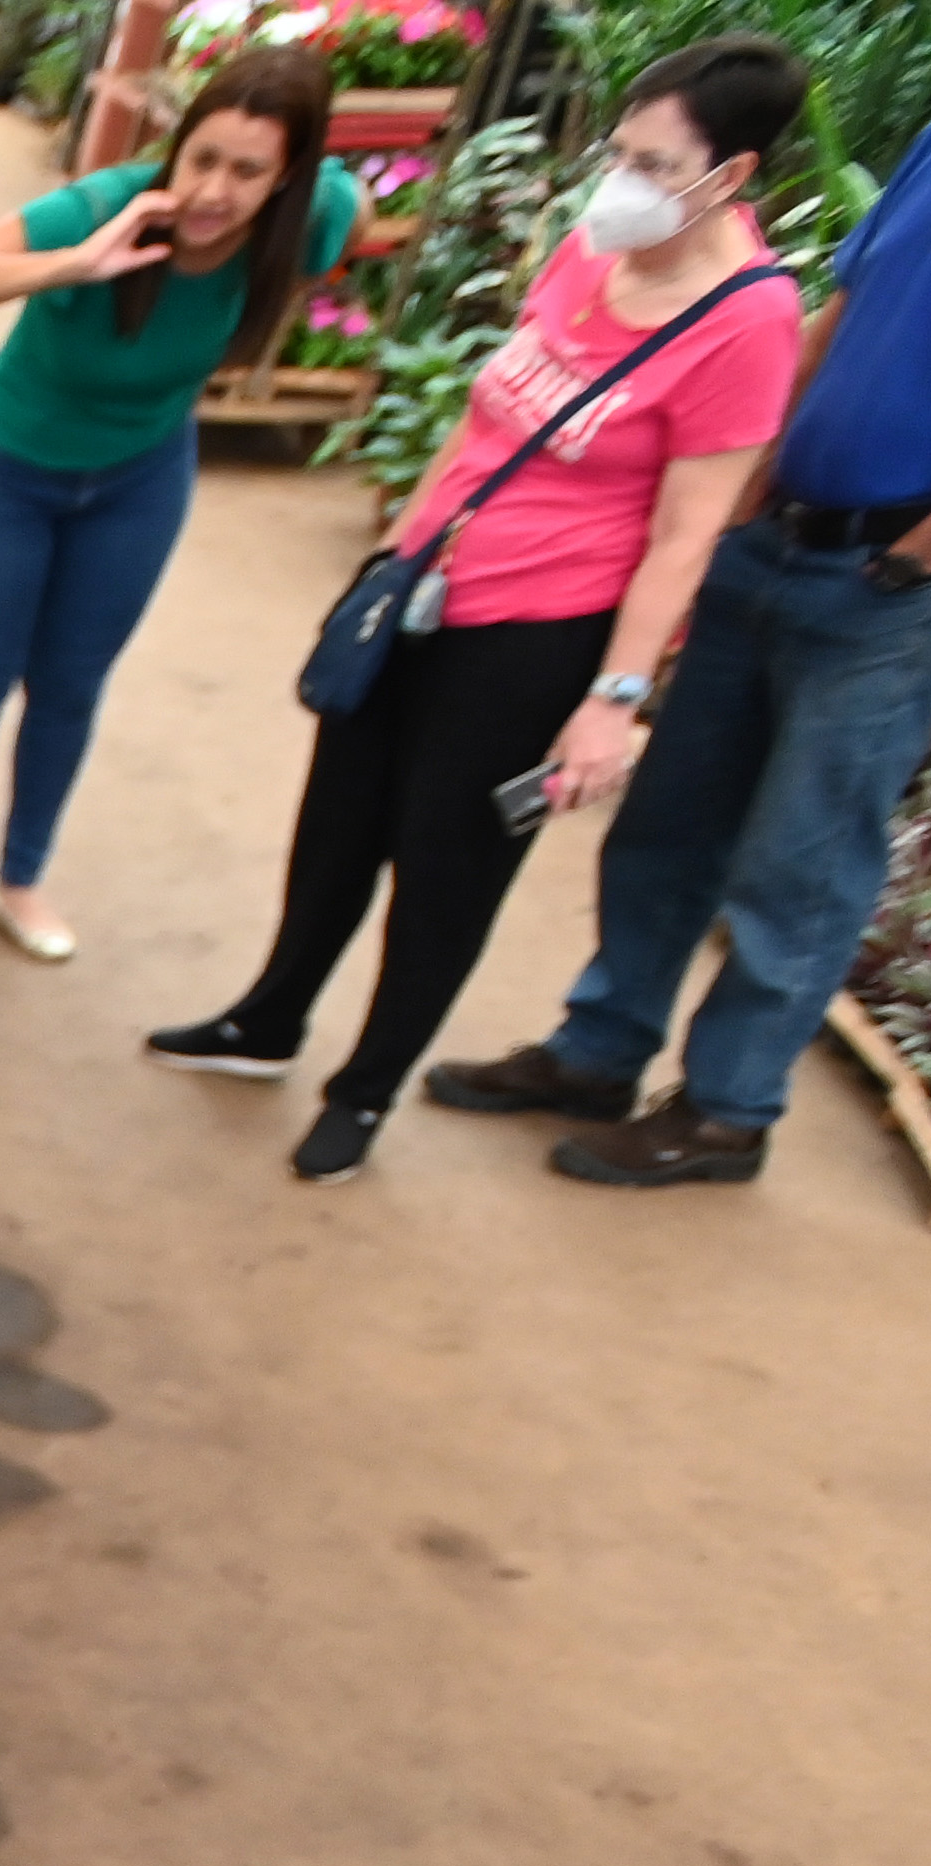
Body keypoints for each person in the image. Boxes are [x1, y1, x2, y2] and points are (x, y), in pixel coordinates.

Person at [147, 35, 807, 1185]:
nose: (621, 183)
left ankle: (362, 1090)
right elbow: (488, 405)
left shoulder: (745, 324)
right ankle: (267, 1018)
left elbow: (683, 533)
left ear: (730, 177)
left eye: (654, 166)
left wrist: (610, 699)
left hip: (536, 636)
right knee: (336, 822)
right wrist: (398, 556)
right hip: (425, 593)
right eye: (621, 152)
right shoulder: (593, 246)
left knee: (444, 865)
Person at [430, 93, 931, 1189]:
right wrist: (746, 481)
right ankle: (597, 1051)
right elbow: (844, 312)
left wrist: (911, 554)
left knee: (798, 860)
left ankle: (723, 1111)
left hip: (887, 589)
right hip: (773, 534)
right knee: (668, 822)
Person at [0, 48, 356, 997]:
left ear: (287, 180)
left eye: (249, 171)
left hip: (139, 482)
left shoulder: (313, 218)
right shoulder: (107, 204)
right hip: (5, 473)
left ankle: (20, 880)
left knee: (69, 689)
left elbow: (348, 203)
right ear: (176, 148)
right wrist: (73, 264)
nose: (214, 190)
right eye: (203, 159)